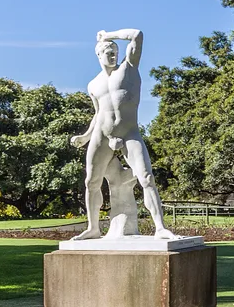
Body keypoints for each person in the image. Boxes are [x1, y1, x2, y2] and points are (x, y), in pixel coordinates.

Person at [69, 29, 176, 241]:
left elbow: (137, 35)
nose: (113, 56)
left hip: (129, 133)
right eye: (109, 53)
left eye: (115, 52)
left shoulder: (129, 68)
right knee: (91, 181)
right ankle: (93, 228)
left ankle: (160, 228)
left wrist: (108, 35)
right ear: (99, 55)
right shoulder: (93, 84)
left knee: (146, 177)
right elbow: (98, 113)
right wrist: (86, 136)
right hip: (101, 134)